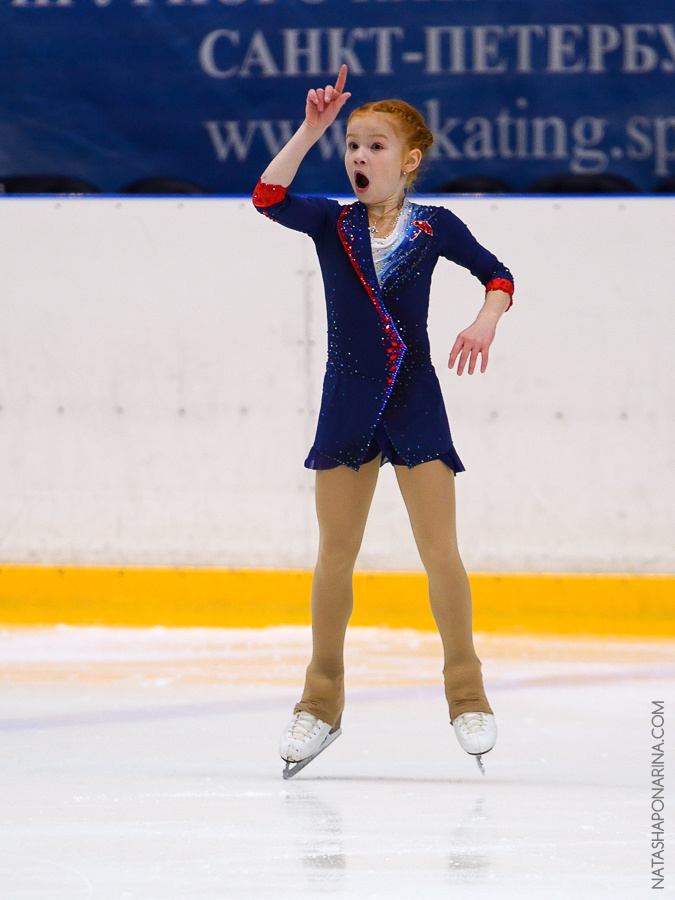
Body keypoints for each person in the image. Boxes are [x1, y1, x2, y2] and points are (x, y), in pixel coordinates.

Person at [252, 65, 514, 777]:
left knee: (440, 553)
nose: (358, 157)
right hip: (347, 402)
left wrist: (486, 319)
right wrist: (309, 129)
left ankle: (466, 693)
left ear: (409, 159)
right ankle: (319, 705)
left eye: (373, 146)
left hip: (415, 402)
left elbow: (497, 275)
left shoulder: (435, 226)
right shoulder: (330, 221)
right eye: (352, 145)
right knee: (334, 555)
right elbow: (266, 196)